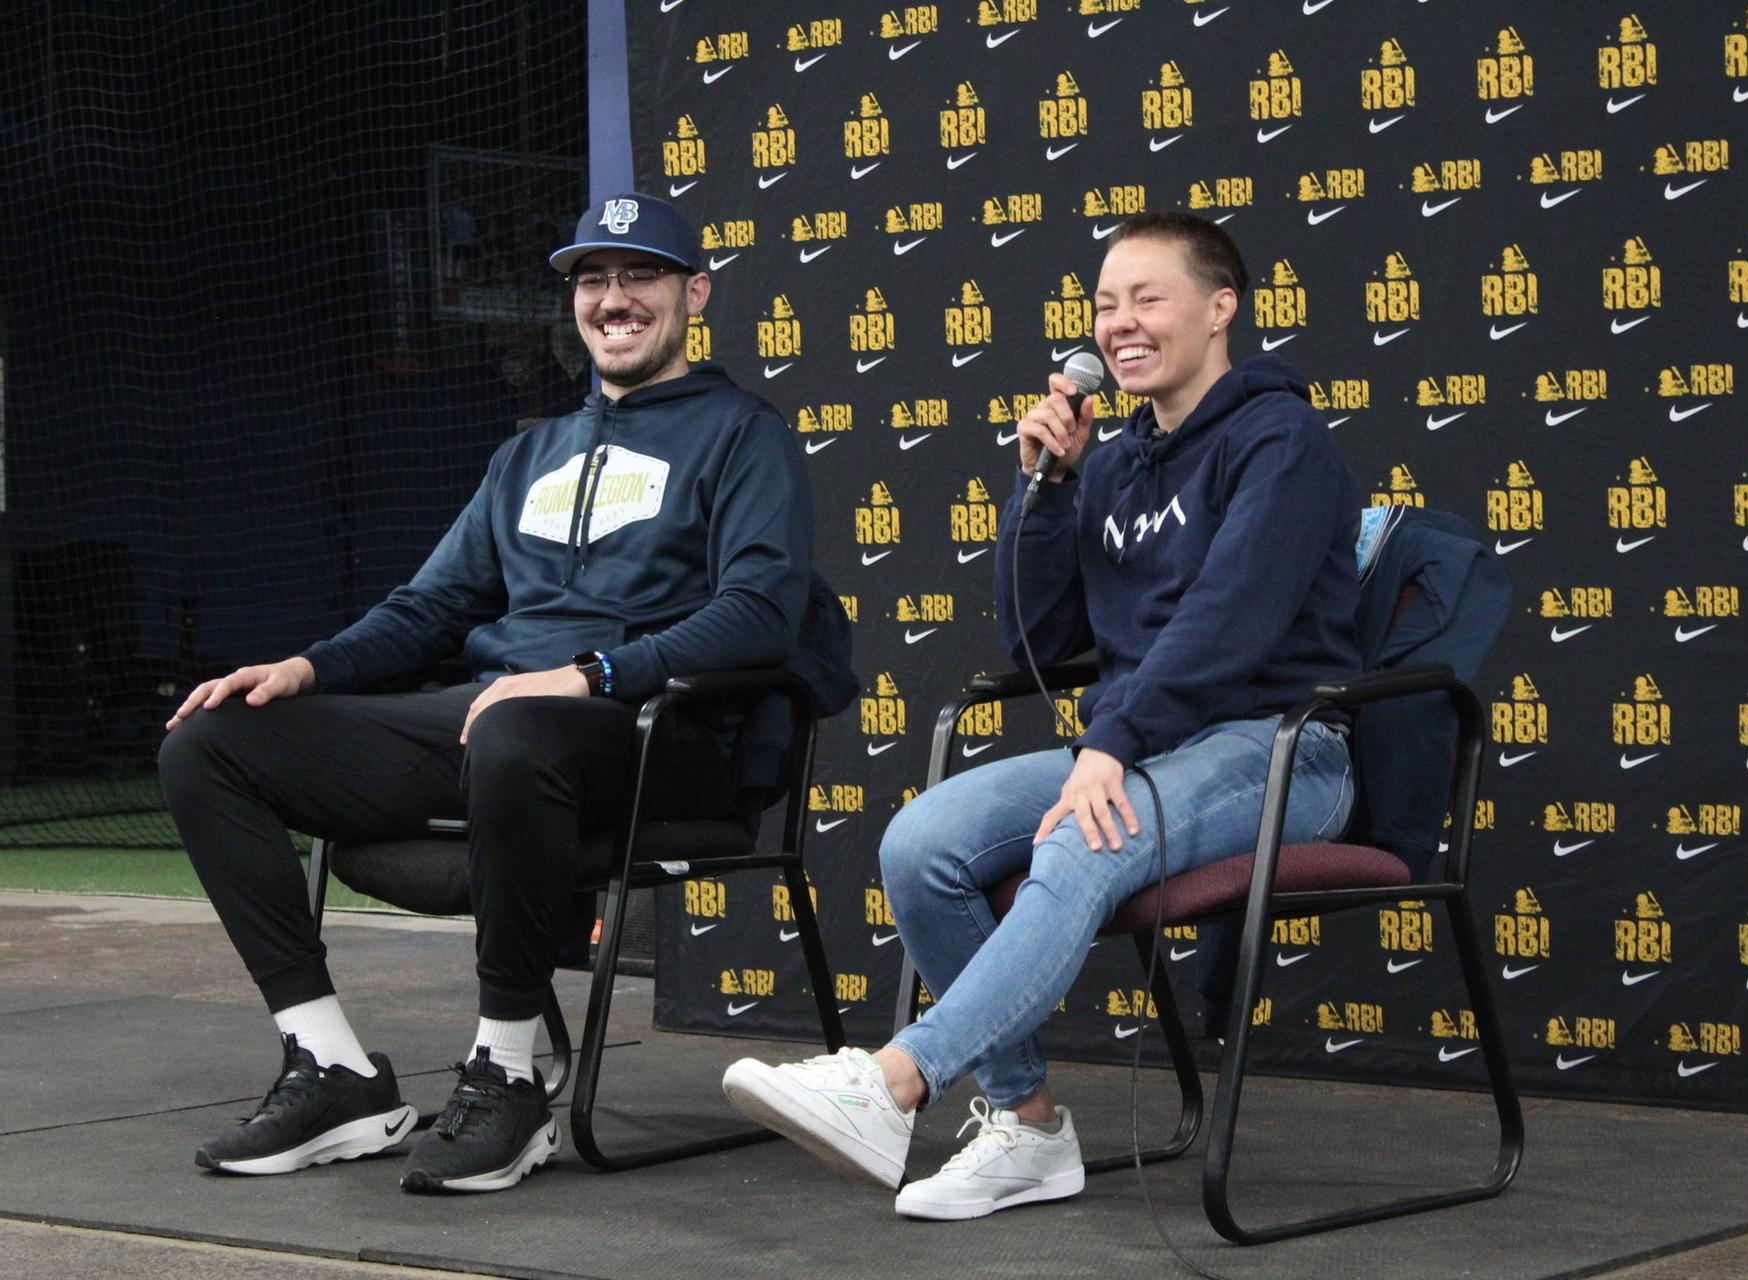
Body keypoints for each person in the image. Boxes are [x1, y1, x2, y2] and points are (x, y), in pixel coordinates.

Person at [159, 192, 825, 1194]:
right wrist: (308, 666)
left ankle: (507, 1075)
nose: (613, 299)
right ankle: (332, 1064)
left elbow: (763, 612)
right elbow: (429, 606)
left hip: (658, 733)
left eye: (638, 274)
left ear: (693, 292)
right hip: (506, 720)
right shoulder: (529, 454)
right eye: (593, 280)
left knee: (515, 722)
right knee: (211, 740)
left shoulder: (743, 435)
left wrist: (591, 673)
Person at [722, 211, 1362, 1220]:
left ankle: (893, 1082)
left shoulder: (1282, 440)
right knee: (920, 839)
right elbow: (1037, 637)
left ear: (1221, 307)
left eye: (1147, 297)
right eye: (1106, 304)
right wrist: (1045, 486)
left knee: (1078, 838)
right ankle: (1026, 1125)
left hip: (1282, 747)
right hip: (1146, 744)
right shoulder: (1110, 459)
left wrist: (1107, 743)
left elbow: (1227, 624)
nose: (1120, 324)